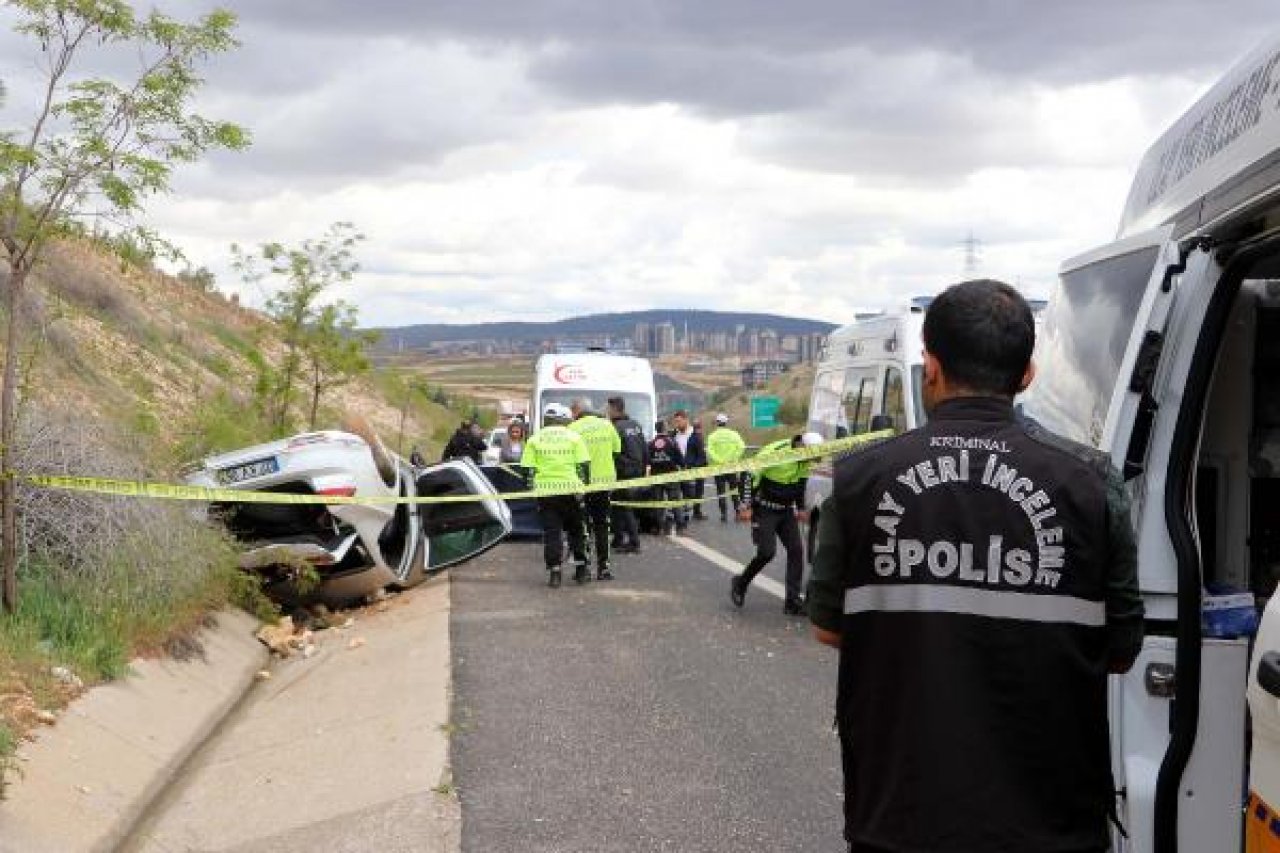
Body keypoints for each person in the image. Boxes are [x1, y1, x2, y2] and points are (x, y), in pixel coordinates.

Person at [806, 280, 1144, 853]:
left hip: (899, 818)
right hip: (1053, 824)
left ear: (930, 367)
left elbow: (828, 626)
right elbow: (1121, 647)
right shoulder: (1092, 481)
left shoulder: (859, 479)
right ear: (1028, 375)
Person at [730, 431, 822, 614]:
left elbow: (800, 484)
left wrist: (801, 508)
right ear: (800, 447)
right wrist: (745, 506)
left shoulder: (804, 459)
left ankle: (792, 601)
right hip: (765, 509)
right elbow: (748, 476)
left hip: (786, 511)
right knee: (767, 552)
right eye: (811, 456)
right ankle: (740, 583)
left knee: (796, 551)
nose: (811, 461)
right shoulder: (776, 452)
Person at [520, 403, 592, 587]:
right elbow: (584, 466)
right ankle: (581, 570)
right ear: (565, 420)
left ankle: (555, 572)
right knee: (577, 532)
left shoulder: (535, 439)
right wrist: (584, 488)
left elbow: (527, 470)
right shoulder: (574, 437)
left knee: (552, 533)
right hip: (571, 491)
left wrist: (531, 490)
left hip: (546, 492)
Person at [570, 398, 621, 580]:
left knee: (582, 527)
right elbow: (616, 451)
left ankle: (583, 570)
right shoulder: (607, 425)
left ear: (577, 411)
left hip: (581, 485)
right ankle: (604, 568)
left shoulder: (573, 429)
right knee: (602, 525)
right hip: (605, 483)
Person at [606, 396, 648, 554]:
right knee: (618, 505)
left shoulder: (614, 427)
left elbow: (613, 451)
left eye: (608, 409)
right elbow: (645, 449)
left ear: (614, 409)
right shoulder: (635, 425)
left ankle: (634, 542)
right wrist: (644, 469)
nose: (607, 412)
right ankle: (617, 539)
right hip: (636, 470)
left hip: (623, 470)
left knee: (624, 506)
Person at [705, 412, 746, 522]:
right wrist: (732, 459)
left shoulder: (712, 436)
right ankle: (737, 512)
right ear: (726, 423)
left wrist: (720, 460)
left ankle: (723, 514)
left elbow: (710, 451)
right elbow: (742, 447)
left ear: (717, 423)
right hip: (732, 467)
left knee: (721, 491)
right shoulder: (734, 434)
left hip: (719, 468)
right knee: (734, 490)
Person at [647, 419, 686, 535]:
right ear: (664, 429)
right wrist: (683, 467)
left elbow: (647, 460)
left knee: (658, 503)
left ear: (656, 429)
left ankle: (658, 527)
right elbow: (681, 460)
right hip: (671, 476)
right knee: (675, 502)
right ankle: (680, 527)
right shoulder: (672, 442)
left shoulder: (650, 444)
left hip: (656, 477)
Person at [670, 410, 708, 520]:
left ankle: (697, 512)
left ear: (686, 420)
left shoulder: (696, 435)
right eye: (675, 422)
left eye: (679, 421)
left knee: (697, 493)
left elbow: (701, 455)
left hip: (694, 469)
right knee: (682, 492)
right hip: (679, 469)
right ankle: (683, 514)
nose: (677, 424)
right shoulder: (673, 435)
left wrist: (694, 467)